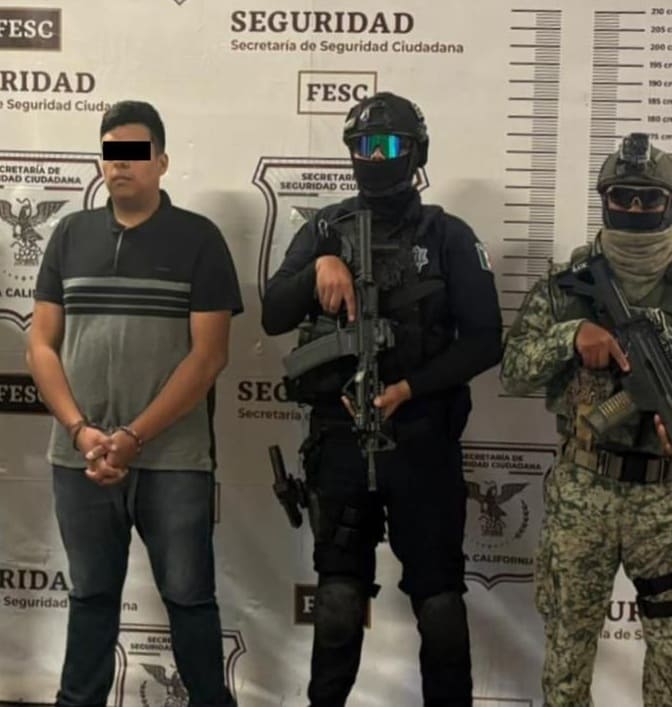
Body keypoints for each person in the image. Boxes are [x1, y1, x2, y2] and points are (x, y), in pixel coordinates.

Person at [261, 91, 503, 706]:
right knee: (338, 603)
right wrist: (320, 264)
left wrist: (411, 388)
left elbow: (485, 340)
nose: (375, 156)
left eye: (389, 144)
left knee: (440, 607)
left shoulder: (447, 235)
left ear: (416, 152)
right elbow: (272, 314)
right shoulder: (324, 227)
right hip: (340, 442)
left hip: (423, 441)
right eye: (364, 145)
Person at [501, 133, 672, 706]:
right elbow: (513, 371)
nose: (634, 208)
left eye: (648, 198)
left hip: (667, 500)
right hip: (582, 492)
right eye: (622, 196)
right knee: (567, 655)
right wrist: (571, 336)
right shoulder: (565, 289)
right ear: (604, 200)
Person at [26, 100, 242, 707]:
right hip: (81, 455)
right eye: (110, 153)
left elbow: (209, 356)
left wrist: (133, 436)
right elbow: (41, 345)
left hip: (174, 458)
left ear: (162, 162)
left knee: (189, 597)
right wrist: (80, 431)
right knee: (91, 596)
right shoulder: (70, 234)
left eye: (134, 153)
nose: (119, 165)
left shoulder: (199, 239)